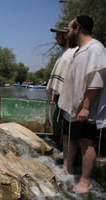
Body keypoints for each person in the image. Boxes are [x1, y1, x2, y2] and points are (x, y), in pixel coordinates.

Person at [58, 15, 106, 194]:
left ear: (78, 28)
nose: (67, 33)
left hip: (85, 107)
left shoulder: (96, 48)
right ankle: (68, 168)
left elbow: (96, 81)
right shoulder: (80, 49)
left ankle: (86, 182)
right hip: (74, 106)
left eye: (70, 29)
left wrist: (86, 106)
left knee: (86, 141)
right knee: (73, 138)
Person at [46, 26, 78, 173]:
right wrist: (55, 91)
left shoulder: (73, 52)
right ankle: (66, 157)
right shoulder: (63, 52)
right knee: (62, 126)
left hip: (70, 97)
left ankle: (70, 162)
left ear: (66, 36)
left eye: (58, 35)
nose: (55, 38)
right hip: (61, 95)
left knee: (69, 129)